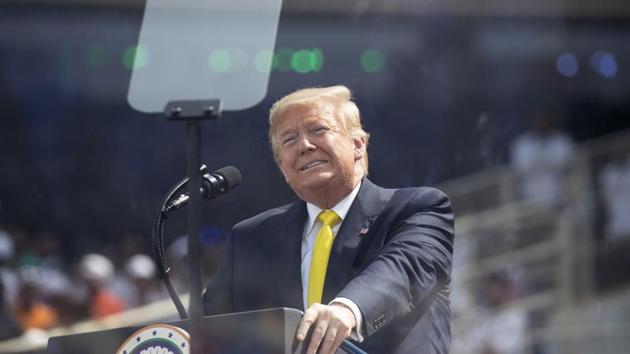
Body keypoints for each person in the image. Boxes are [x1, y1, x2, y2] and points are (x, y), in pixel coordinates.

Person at [203, 85, 454, 354]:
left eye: (318, 130)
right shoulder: (251, 237)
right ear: (283, 169)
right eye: (289, 140)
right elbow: (209, 331)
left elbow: (403, 269)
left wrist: (348, 309)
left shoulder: (418, 209)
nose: (304, 146)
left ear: (357, 145)